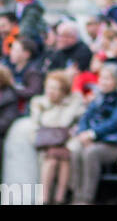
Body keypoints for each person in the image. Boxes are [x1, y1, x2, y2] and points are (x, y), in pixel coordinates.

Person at [68, 62, 117, 204]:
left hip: (115, 142)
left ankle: (86, 199)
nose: (103, 82)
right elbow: (86, 117)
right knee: (75, 148)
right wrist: (83, 133)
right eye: (101, 78)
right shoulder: (99, 95)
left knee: (91, 153)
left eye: (108, 79)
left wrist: (93, 134)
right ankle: (75, 195)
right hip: (93, 139)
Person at [30, 70, 85, 204]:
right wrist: (51, 105)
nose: (51, 91)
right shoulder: (39, 102)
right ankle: (44, 198)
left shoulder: (73, 102)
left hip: (67, 142)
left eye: (55, 88)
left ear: (64, 90)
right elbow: (39, 125)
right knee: (52, 159)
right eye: (49, 87)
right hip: (46, 142)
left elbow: (66, 122)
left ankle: (59, 198)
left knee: (64, 157)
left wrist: (64, 104)